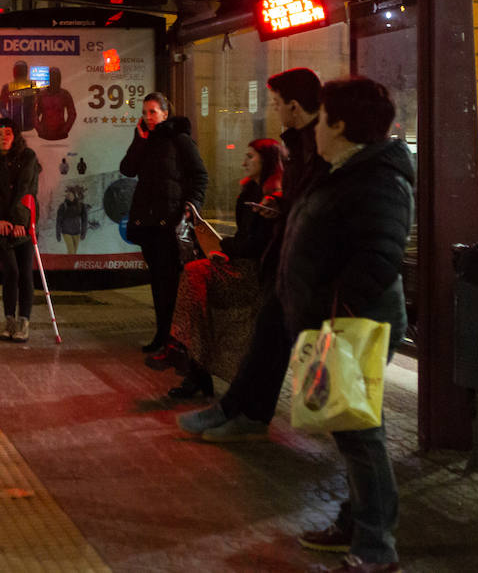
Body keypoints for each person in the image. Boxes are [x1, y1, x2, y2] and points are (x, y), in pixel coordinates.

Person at [282, 77, 412, 573]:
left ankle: (377, 544)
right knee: (346, 425)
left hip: (356, 322)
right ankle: (354, 520)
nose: (314, 126)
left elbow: (379, 257)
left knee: (360, 431)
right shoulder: (342, 169)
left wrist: (338, 317)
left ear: (338, 124)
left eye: (321, 117)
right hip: (334, 320)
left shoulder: (376, 179)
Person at [178, 67, 324, 440]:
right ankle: (243, 414)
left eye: (276, 104)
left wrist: (284, 208)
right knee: (269, 341)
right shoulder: (297, 146)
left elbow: (318, 207)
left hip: (307, 265)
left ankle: (234, 411)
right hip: (291, 259)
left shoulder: (318, 147)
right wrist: (280, 204)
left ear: (294, 105)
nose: (275, 111)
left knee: (270, 341)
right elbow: (303, 201)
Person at [150, 138, 284, 399]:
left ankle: (182, 349)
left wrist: (224, 247)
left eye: (250, 157)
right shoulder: (249, 193)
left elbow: (257, 244)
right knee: (195, 282)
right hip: (240, 264)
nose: (244, 162)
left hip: (255, 274)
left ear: (266, 161)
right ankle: (189, 360)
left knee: (194, 277)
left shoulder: (273, 197)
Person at [119, 92, 208, 353]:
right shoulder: (145, 140)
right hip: (148, 221)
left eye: (153, 112)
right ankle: (162, 334)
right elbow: (127, 169)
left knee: (170, 281)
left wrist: (192, 205)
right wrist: (140, 141)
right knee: (157, 280)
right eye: (145, 112)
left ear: (165, 113)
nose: (148, 117)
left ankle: (174, 337)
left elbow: (200, 175)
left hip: (170, 220)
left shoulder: (180, 140)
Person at [0, 116, 42, 342]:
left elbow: (26, 190)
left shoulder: (28, 158)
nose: (4, 138)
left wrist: (18, 222)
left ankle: (24, 321)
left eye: (8, 134)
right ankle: (9, 320)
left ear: (15, 137)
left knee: (24, 273)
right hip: (0, 226)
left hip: (23, 224)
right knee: (10, 272)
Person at [33, 67, 77, 141]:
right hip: (44, 134)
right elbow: (34, 115)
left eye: (56, 78)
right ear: (48, 80)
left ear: (59, 79)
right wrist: (40, 130)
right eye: (52, 78)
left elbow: (72, 114)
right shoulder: (41, 95)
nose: (54, 81)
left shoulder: (65, 94)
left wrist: (65, 130)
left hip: (61, 134)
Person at [55, 185, 89, 254]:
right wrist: (58, 233)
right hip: (66, 232)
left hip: (77, 232)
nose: (69, 196)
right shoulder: (63, 206)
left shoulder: (81, 205)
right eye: (67, 194)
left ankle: (68, 263)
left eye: (70, 194)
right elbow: (59, 221)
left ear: (74, 195)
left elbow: (84, 220)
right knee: (71, 251)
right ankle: (68, 264)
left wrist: (83, 232)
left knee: (74, 253)